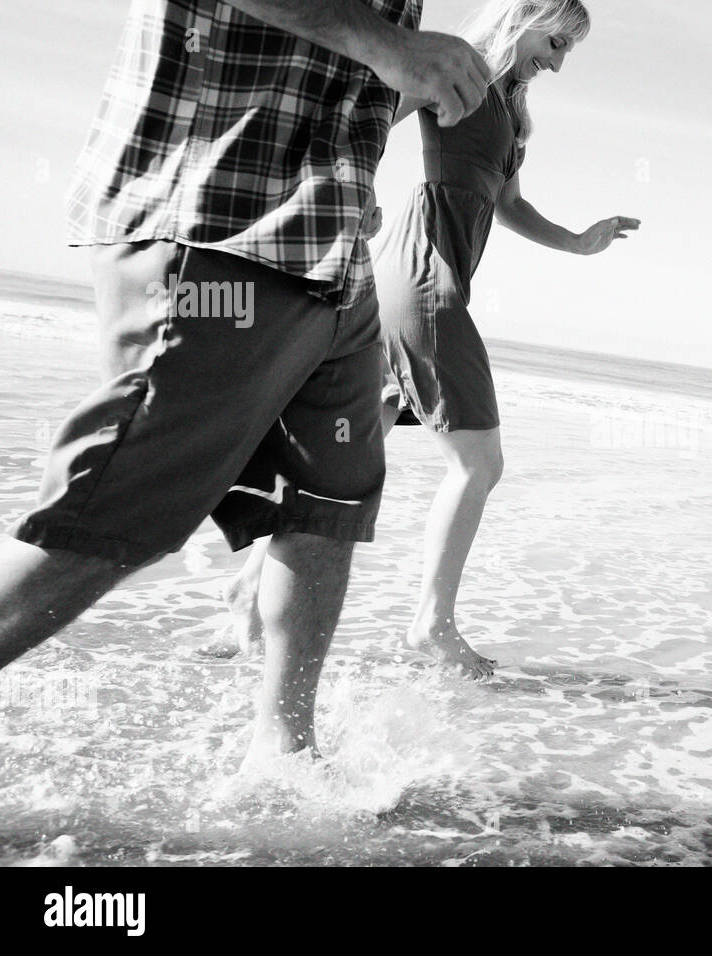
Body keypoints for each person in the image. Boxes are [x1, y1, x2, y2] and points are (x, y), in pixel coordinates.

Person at [0, 0, 493, 761]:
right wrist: (389, 44)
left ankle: (286, 757)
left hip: (332, 253)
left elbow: (344, 75)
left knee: (329, 506)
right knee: (117, 513)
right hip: (218, 223)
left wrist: (355, 164)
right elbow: (366, 44)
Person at [218, 0, 639, 679]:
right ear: (524, 16)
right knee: (479, 463)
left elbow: (508, 204)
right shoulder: (457, 71)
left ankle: (248, 594)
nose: (558, 63)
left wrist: (577, 242)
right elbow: (369, 119)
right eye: (556, 43)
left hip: (421, 275)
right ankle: (431, 625)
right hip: (422, 274)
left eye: (567, 52)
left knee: (352, 451)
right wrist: (354, 191)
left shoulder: (508, 108)